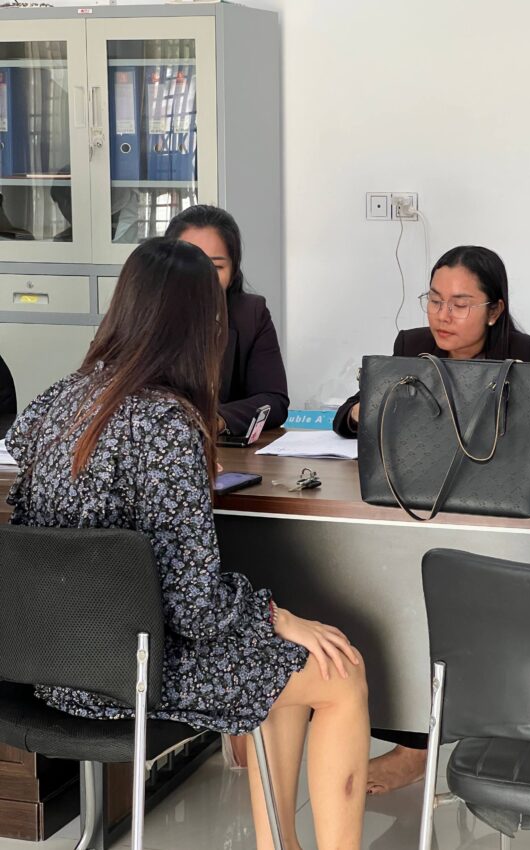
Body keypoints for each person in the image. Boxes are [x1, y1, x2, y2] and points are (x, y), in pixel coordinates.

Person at [5, 238, 370, 850]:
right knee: (340, 669)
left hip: (50, 665)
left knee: (284, 663)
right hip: (131, 676)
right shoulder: (166, 424)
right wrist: (277, 615)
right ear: (206, 326)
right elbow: (194, 609)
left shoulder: (60, 398)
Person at [333, 244, 530, 795]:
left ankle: (470, 734)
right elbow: (348, 417)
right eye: (434, 299)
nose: (443, 315)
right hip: (427, 504)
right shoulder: (410, 347)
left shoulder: (528, 354)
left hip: (501, 513)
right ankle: (412, 740)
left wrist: (507, 420)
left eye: (460, 304)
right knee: (398, 595)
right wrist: (363, 410)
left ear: (494, 309)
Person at [165, 205, 289, 436]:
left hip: (220, 450)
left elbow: (274, 401)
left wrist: (219, 420)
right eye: (189, 264)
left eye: (216, 266)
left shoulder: (251, 314)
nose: (203, 277)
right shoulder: (141, 313)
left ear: (233, 272)